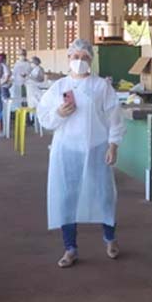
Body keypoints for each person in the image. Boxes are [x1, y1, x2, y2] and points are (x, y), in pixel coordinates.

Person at [37, 39, 126, 268]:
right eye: (75, 57)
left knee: (104, 194)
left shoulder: (101, 87)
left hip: (97, 147)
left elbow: (114, 117)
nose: (79, 61)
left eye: (84, 57)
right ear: (68, 59)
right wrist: (60, 112)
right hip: (66, 150)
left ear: (91, 60)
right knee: (67, 197)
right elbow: (45, 117)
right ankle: (70, 247)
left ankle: (110, 238)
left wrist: (113, 145)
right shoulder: (59, 87)